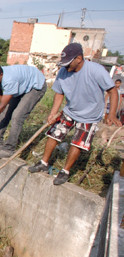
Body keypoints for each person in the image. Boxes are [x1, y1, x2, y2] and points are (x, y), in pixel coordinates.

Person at [28, 43, 122, 185]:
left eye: (68, 63)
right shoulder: (63, 72)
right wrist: (53, 113)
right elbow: (59, 93)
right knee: (54, 134)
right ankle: (43, 162)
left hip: (90, 115)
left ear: (79, 58)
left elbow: (112, 91)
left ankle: (65, 171)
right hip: (70, 110)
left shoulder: (96, 71)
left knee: (78, 143)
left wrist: (112, 114)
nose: (65, 67)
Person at [0, 64, 47, 159]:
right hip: (22, 84)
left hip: (35, 86)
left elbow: (2, 106)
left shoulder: (9, 80)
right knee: (4, 114)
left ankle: (9, 149)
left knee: (17, 116)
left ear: (1, 74)